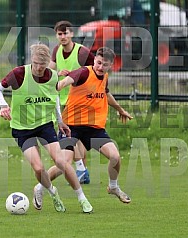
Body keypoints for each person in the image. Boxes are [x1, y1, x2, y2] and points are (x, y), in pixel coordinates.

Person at [0, 43, 93, 213]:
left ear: (48, 63)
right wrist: (3, 106)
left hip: (45, 125)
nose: (39, 68)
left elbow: (53, 98)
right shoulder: (19, 73)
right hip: (22, 129)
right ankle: (53, 193)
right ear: (32, 60)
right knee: (39, 168)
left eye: (43, 64)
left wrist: (60, 121)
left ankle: (82, 198)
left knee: (61, 162)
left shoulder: (53, 76)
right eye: (36, 63)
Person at [48, 47, 133, 203]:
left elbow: (106, 94)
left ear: (111, 65)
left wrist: (120, 110)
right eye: (98, 63)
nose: (100, 67)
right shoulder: (83, 72)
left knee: (115, 157)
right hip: (70, 126)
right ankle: (40, 186)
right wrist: (54, 84)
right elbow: (60, 85)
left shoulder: (104, 77)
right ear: (94, 60)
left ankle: (113, 186)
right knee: (64, 164)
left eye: (104, 65)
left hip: (93, 129)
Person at [48, 20, 95, 184]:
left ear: (72, 34)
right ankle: (83, 173)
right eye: (60, 34)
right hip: (63, 100)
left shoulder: (82, 52)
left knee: (69, 135)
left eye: (65, 33)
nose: (63, 36)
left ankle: (81, 169)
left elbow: (94, 73)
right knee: (78, 137)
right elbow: (49, 73)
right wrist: (58, 74)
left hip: (80, 99)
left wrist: (75, 75)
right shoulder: (56, 51)